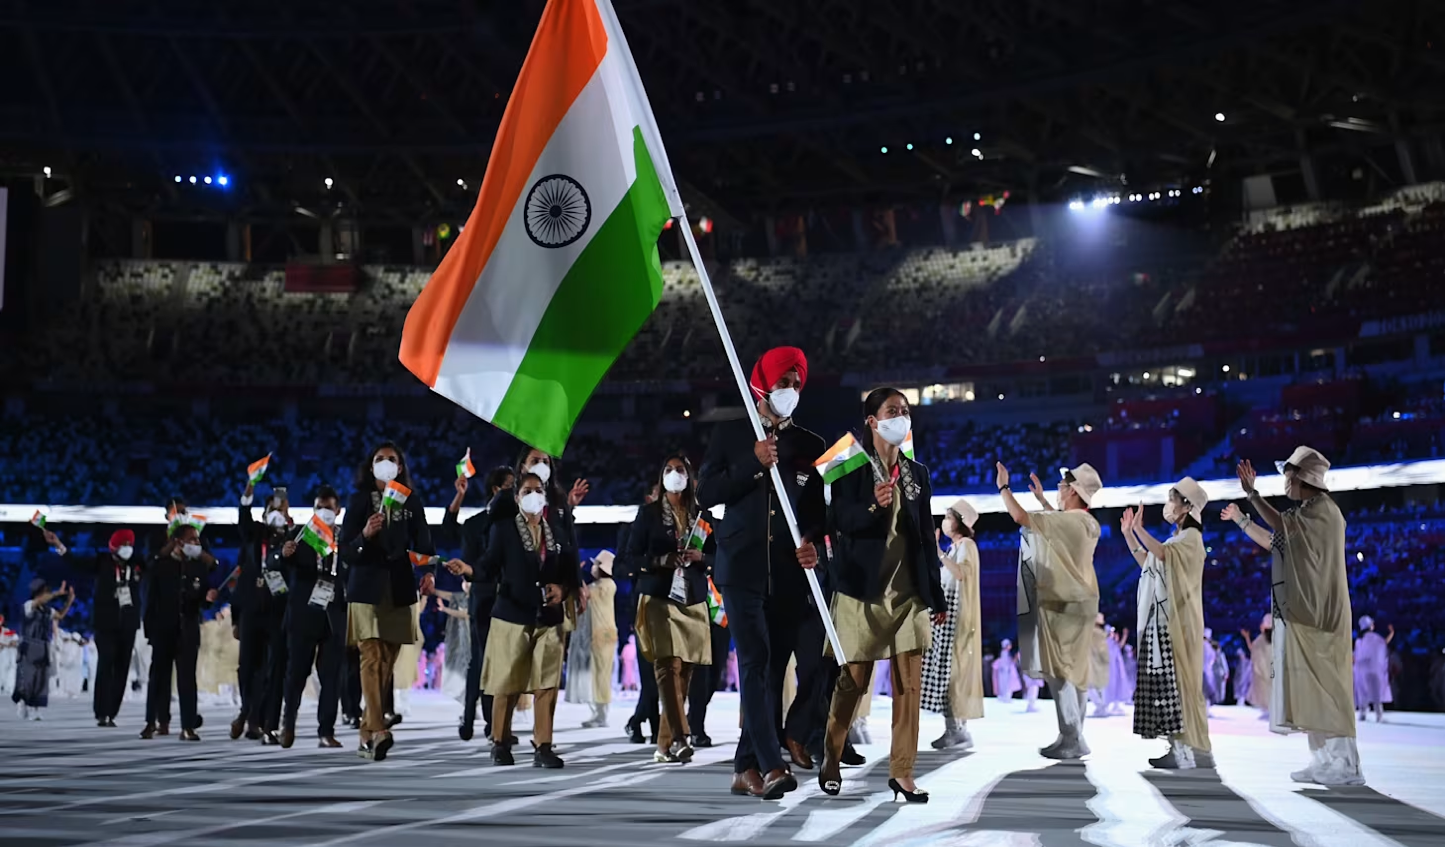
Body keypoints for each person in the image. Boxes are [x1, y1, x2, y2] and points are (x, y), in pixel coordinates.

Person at [698, 346, 826, 801]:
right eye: (783, 382)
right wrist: (753, 461)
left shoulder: (810, 446)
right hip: (740, 569)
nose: (790, 390)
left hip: (789, 574)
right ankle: (772, 766)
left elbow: (817, 513)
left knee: (773, 671)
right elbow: (706, 493)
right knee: (753, 662)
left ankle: (743, 767)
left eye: (796, 383)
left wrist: (811, 540)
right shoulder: (732, 435)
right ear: (762, 386)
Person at [818, 387, 947, 802]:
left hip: (908, 595)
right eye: (893, 411)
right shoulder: (850, 466)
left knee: (910, 687)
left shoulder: (917, 473)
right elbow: (837, 520)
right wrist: (873, 506)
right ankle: (832, 755)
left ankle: (903, 773)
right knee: (853, 682)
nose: (902, 417)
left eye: (906, 411)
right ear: (872, 421)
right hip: (862, 592)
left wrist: (936, 594)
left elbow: (926, 536)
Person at [1224, 446, 1362, 785]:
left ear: (1301, 477)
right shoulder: (1308, 513)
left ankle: (1345, 764)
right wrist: (1242, 520)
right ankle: (1322, 761)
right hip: (1305, 613)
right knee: (1309, 690)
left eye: (1288, 474)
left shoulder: (1323, 512)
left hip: (1322, 616)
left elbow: (1280, 526)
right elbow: (1276, 542)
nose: (1285, 480)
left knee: (1331, 690)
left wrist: (1253, 496)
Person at [469, 471, 582, 768]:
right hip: (512, 614)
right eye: (527, 490)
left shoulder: (555, 530)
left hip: (548, 616)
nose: (533, 494)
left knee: (546, 683)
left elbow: (568, 570)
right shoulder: (504, 529)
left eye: (538, 489)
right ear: (517, 497)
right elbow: (489, 565)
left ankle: (543, 745)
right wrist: (468, 571)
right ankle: (500, 741)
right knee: (507, 682)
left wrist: (563, 588)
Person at [999, 461, 1103, 760]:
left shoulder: (1070, 522)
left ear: (1072, 490)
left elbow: (1020, 517)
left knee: (1060, 671)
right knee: (1076, 670)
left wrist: (1004, 487)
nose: (1059, 488)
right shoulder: (1088, 522)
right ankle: (1071, 734)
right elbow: (1062, 523)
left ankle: (1072, 736)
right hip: (1084, 601)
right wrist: (1044, 501)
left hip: (1062, 602)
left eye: (1063, 485)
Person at [340, 441, 437, 762]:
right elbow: (344, 550)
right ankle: (380, 729)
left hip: (399, 586)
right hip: (365, 587)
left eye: (391, 459)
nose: (386, 463)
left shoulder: (411, 501)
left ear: (400, 466)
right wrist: (365, 535)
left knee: (385, 663)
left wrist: (429, 571)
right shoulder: (358, 502)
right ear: (370, 467)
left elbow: (423, 541)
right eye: (380, 459)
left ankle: (367, 731)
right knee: (371, 656)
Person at [620, 454, 716, 764]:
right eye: (669, 470)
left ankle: (664, 745)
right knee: (668, 666)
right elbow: (629, 559)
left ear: (690, 477)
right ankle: (681, 735)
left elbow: (719, 555)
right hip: (659, 598)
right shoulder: (648, 514)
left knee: (685, 670)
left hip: (692, 598)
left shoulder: (702, 515)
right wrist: (660, 561)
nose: (675, 474)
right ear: (661, 476)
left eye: (681, 470)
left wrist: (702, 559)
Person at [1120, 478, 1213, 770]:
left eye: (1173, 499)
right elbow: (1151, 564)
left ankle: (1186, 749)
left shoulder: (1190, 540)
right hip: (1166, 621)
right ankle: (1182, 747)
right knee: (1171, 686)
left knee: (1180, 685)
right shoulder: (1178, 539)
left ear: (1187, 506)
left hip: (1179, 622)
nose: (1168, 505)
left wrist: (1139, 529)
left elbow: (1161, 554)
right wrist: (1129, 536)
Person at [440, 465, 515, 741]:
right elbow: (448, 532)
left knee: (491, 661)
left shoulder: (516, 523)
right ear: (496, 490)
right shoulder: (477, 524)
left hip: (504, 596)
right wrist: (458, 497)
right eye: (510, 486)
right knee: (485, 659)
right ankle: (484, 720)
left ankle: (482, 720)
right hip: (484, 597)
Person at [47, 528, 141, 727]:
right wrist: (59, 545)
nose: (128, 549)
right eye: (124, 545)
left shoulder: (137, 564)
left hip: (128, 623)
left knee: (122, 668)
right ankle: (101, 712)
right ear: (114, 547)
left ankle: (112, 712)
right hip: (105, 623)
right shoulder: (102, 562)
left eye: (130, 545)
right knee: (106, 664)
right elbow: (76, 563)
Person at [278, 486, 349, 749]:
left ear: (338, 510)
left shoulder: (345, 539)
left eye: (329, 507)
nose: (325, 512)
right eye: (320, 507)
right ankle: (289, 725)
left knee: (331, 677)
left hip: (333, 614)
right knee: (296, 672)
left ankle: (326, 731)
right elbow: (281, 562)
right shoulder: (301, 536)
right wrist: (285, 554)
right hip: (304, 613)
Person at [141, 523, 219, 740]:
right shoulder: (160, 566)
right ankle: (151, 722)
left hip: (188, 630)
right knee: (158, 677)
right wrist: (150, 629)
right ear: (178, 542)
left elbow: (202, 600)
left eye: (197, 539)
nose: (197, 544)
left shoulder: (197, 567)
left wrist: (208, 599)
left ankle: (187, 726)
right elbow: (150, 599)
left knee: (187, 679)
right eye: (192, 539)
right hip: (163, 629)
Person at [231, 482, 292, 745]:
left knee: (273, 670)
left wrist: (289, 531)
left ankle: (264, 722)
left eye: (282, 508)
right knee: (247, 667)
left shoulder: (294, 539)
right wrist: (247, 495)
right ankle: (247, 710)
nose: (277, 512)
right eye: (273, 508)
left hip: (278, 612)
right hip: (251, 611)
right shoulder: (256, 534)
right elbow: (244, 520)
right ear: (265, 513)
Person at [923, 498, 984, 751]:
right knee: (946, 676)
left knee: (954, 676)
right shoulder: (953, 548)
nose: (945, 521)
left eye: (949, 516)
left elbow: (961, 574)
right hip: (946, 622)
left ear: (960, 522)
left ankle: (957, 730)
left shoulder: (966, 545)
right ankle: (955, 729)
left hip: (958, 624)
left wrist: (937, 551)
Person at [12, 578, 75, 720]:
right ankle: (24, 703)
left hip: (43, 647)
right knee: (26, 679)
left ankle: (36, 708)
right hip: (28, 647)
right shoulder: (28, 605)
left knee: (41, 680)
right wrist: (57, 593)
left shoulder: (48, 610)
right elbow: (37, 602)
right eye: (45, 593)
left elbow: (60, 615)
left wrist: (69, 601)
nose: (47, 596)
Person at [574, 551, 618, 729]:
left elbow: (585, 594)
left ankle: (601, 714)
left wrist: (577, 576)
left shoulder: (604, 586)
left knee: (601, 674)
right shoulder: (603, 584)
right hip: (603, 634)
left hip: (601, 634)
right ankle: (598, 711)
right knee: (599, 674)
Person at [1353, 617, 1393, 723]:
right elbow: (1384, 643)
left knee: (1363, 691)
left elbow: (1356, 656)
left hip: (1361, 670)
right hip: (1373, 670)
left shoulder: (1358, 640)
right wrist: (1391, 633)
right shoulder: (1375, 638)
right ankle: (1379, 715)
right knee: (1376, 692)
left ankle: (1362, 713)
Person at [992, 639, 1022, 704]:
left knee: (1008, 685)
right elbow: (1005, 663)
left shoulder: (1006, 653)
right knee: (1006, 685)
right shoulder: (1004, 653)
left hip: (1007, 672)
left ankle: (1007, 697)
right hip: (1006, 672)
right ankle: (1005, 697)